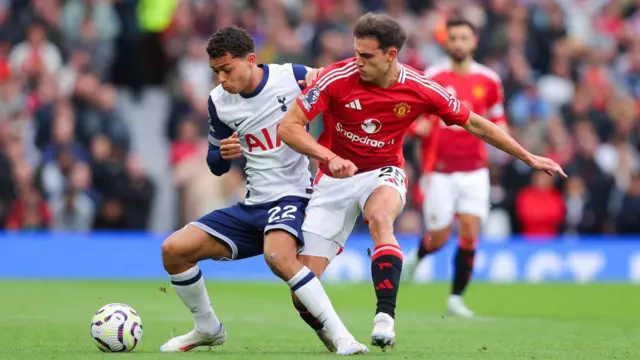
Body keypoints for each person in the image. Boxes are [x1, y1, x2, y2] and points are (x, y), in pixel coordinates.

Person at [277, 13, 566, 349]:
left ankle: (385, 317)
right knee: (302, 295)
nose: (358, 63)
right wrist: (329, 157)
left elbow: (475, 123)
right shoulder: (335, 77)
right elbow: (289, 126)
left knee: (381, 219)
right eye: (356, 53)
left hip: (383, 171)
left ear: (391, 55)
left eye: (367, 56)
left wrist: (528, 157)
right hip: (333, 177)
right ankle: (337, 337)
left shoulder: (420, 87)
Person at [159, 26, 368, 355]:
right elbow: (215, 164)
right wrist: (221, 154)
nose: (222, 80)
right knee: (173, 250)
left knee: (277, 256)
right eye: (215, 72)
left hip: (292, 196)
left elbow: (334, 85)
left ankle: (343, 336)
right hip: (252, 205)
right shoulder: (219, 102)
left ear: (251, 60)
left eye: (227, 70)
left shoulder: (293, 77)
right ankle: (208, 328)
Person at [402, 19, 509, 318]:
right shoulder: (433, 76)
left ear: (474, 42)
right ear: (446, 42)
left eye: (464, 38)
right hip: (439, 170)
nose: (459, 43)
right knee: (439, 236)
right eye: (454, 38)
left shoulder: (489, 80)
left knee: (470, 232)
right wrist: (416, 127)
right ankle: (419, 255)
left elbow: (498, 117)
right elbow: (410, 116)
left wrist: (504, 134)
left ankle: (456, 298)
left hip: (475, 169)